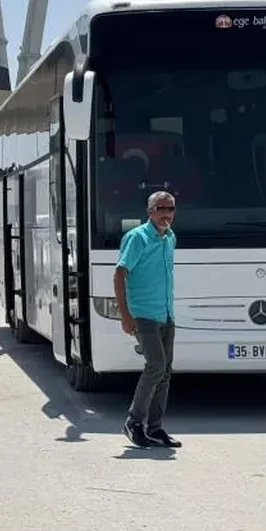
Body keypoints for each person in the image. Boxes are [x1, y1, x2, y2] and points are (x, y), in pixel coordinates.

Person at [114, 191, 181, 450]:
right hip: (143, 314)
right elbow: (119, 274)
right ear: (150, 211)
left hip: (165, 313)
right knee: (156, 365)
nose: (167, 214)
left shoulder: (170, 238)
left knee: (165, 371)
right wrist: (125, 316)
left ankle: (155, 428)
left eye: (171, 209)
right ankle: (133, 421)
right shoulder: (137, 238)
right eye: (161, 208)